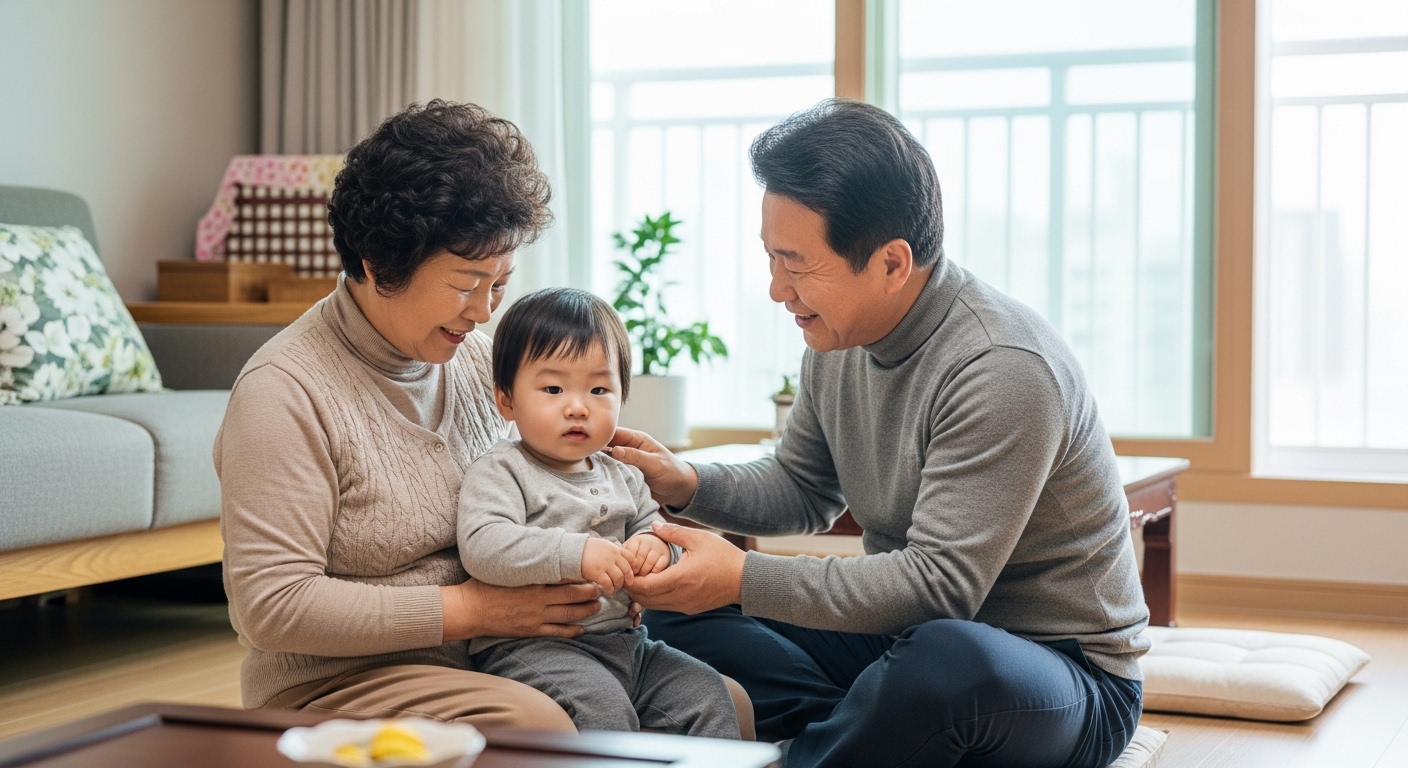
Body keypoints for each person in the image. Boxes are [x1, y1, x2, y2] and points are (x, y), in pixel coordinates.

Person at [608, 99, 1150, 768]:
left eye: (796, 262)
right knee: (677, 607)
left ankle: (852, 739)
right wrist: (685, 483)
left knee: (946, 661)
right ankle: (869, 733)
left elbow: (940, 588)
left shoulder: (1001, 366)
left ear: (893, 263)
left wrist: (744, 574)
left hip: (1061, 673)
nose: (778, 288)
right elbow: (802, 488)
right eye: (771, 257)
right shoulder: (836, 339)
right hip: (905, 638)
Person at [216, 100, 633, 729]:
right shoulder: (284, 393)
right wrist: (474, 611)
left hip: (500, 653)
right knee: (535, 724)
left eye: (500, 283)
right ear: (380, 263)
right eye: (467, 284)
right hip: (338, 682)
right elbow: (272, 606)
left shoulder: (480, 359)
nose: (487, 311)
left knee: (718, 698)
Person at [456, 287, 739, 739]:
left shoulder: (622, 473)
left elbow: (658, 530)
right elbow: (483, 546)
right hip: (534, 648)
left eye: (599, 388)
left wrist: (656, 548)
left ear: (622, 394)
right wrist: (578, 553)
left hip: (628, 645)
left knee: (707, 693)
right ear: (506, 399)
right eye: (552, 388)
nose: (577, 405)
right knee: (603, 712)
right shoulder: (502, 469)